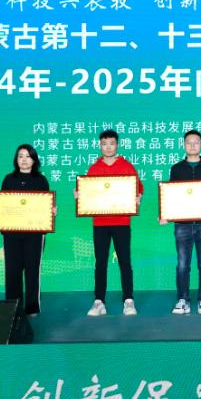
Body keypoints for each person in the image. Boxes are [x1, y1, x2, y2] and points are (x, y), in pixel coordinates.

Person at [81, 129, 143, 317]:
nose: (108, 147)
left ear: (117, 145)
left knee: (124, 261)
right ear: (100, 145)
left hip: (121, 221)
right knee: (100, 262)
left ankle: (128, 300)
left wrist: (138, 197)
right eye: (104, 144)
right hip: (100, 223)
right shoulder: (94, 168)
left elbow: (138, 188)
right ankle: (99, 301)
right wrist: (80, 196)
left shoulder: (127, 166)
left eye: (111, 143)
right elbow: (88, 193)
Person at [166, 130, 201, 315]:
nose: (192, 145)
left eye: (196, 142)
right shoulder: (176, 169)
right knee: (183, 264)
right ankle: (183, 299)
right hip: (182, 224)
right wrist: (166, 214)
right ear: (184, 145)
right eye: (189, 142)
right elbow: (171, 194)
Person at [0, 144, 52, 317]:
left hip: (35, 233)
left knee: (32, 270)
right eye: (20, 156)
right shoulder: (8, 180)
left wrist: (51, 211)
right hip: (11, 233)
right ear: (16, 160)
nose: (24, 160)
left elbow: (45, 205)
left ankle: (32, 307)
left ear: (34, 160)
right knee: (12, 270)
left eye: (28, 156)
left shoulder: (41, 180)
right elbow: (3, 205)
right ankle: (12, 306)